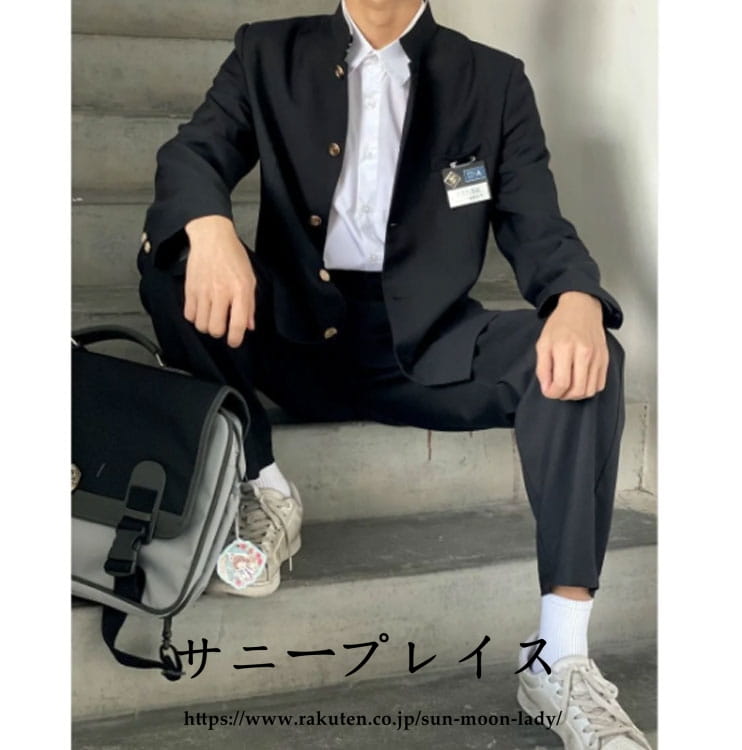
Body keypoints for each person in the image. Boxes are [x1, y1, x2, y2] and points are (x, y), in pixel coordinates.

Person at [136, 2, 651, 747]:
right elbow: (193, 153)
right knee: (172, 263)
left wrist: (575, 296)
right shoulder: (267, 52)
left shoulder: (493, 81)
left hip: (428, 348)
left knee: (587, 354)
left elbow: (537, 223)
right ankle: (263, 483)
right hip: (291, 332)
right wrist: (210, 227)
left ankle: (559, 658)